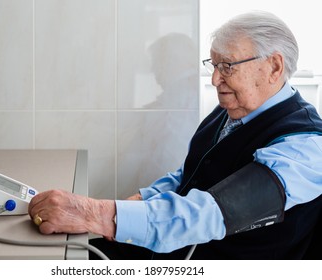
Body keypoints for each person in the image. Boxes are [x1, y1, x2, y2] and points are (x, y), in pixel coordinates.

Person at [28, 11, 322, 259]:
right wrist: (137, 203)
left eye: (227, 66)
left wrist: (96, 213)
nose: (215, 79)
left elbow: (212, 212)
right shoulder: (233, 110)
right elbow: (189, 176)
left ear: (273, 67)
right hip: (180, 247)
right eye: (214, 65)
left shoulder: (306, 147)